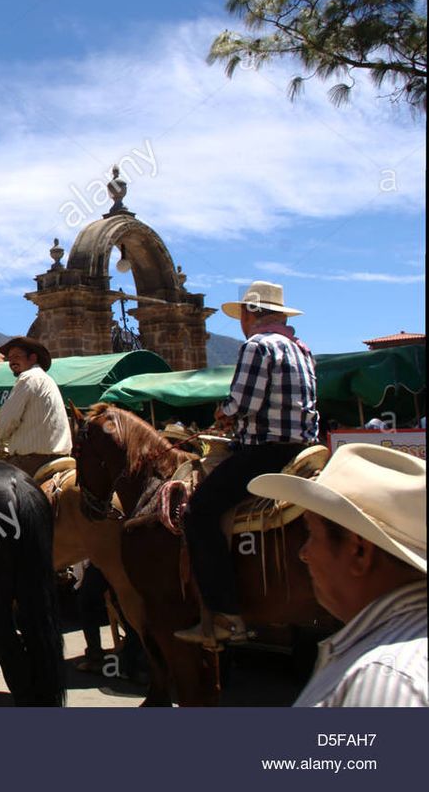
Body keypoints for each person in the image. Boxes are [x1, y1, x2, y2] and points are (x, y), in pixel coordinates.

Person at [176, 281, 319, 646]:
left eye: (243, 313)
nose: (241, 321)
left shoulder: (257, 345)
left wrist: (223, 413)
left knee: (199, 513)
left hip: (265, 453)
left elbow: (243, 404)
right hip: (302, 448)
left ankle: (225, 615)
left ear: (252, 313)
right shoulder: (302, 349)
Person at [249, 443, 426, 706]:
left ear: (359, 552)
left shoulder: (381, 679)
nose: (304, 553)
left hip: (267, 445)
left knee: (204, 509)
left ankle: (218, 612)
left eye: (311, 533)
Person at [0, 335, 72, 476]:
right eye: (9, 359)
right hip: (61, 456)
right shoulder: (46, 379)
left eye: (17, 356)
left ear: (33, 358)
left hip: (32, 460)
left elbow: (8, 419)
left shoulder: (28, 377)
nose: (12, 362)